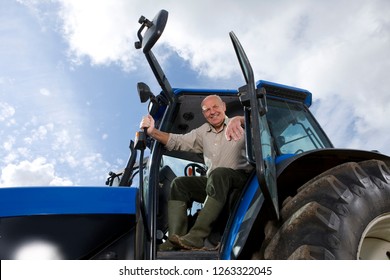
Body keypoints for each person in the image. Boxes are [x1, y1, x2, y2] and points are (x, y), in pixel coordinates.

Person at [140, 95, 253, 250]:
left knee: (218, 174)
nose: (212, 112)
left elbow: (264, 119)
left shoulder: (243, 124)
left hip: (242, 182)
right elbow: (178, 141)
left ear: (224, 107)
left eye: (215, 107)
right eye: (207, 110)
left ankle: (197, 237)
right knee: (180, 184)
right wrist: (153, 132)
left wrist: (240, 119)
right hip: (215, 183)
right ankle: (175, 241)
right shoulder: (202, 132)